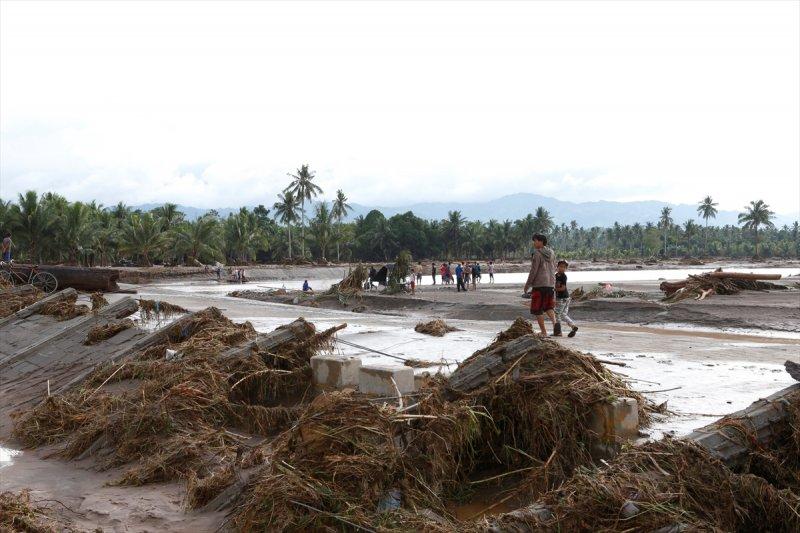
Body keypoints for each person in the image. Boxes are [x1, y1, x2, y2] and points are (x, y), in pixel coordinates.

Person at [523, 233, 557, 337]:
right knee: (548, 307)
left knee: (537, 309)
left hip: (539, 285)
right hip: (550, 284)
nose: (534, 242)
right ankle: (556, 327)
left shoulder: (537, 254)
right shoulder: (551, 252)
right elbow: (553, 268)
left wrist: (527, 285)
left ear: (540, 241)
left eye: (535, 240)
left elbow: (534, 270)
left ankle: (543, 332)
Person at [554, 260, 578, 337]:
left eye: (564, 267)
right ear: (557, 267)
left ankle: (558, 332)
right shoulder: (556, 275)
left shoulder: (564, 276)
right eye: (560, 266)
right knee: (563, 314)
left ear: (566, 269)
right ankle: (573, 326)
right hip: (566, 297)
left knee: (557, 314)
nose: (562, 268)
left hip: (562, 298)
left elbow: (563, 288)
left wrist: (553, 289)